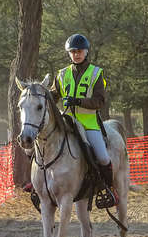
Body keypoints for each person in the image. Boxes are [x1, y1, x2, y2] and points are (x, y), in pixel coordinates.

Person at [49, 33, 118, 208]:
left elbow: (99, 101)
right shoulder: (62, 74)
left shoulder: (96, 73)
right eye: (72, 51)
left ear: (86, 52)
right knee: (43, 144)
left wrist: (78, 101)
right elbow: (53, 96)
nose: (76, 54)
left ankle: (107, 189)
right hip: (66, 123)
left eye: (79, 51)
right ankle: (37, 184)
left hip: (89, 125)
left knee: (103, 158)